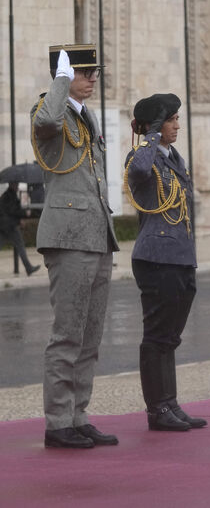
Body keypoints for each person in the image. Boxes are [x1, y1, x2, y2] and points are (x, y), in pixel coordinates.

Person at [31, 44, 119, 448]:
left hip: (96, 233)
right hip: (67, 237)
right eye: (84, 71)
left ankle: (78, 414)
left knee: (90, 335)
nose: (92, 78)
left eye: (93, 71)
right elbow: (48, 118)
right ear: (64, 75)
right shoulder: (47, 111)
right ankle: (57, 422)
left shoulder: (88, 115)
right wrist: (60, 81)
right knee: (67, 333)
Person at [124, 93, 206, 432]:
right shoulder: (141, 157)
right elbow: (140, 171)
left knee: (170, 336)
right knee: (157, 336)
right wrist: (151, 136)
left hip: (180, 257)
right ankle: (157, 410)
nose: (177, 125)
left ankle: (170, 403)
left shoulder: (173, 158)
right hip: (156, 258)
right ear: (154, 125)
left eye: (174, 119)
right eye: (170, 120)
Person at [0, 183, 41, 275]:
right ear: (12, 185)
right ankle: (29, 268)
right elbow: (13, 211)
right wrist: (23, 216)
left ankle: (29, 268)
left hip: (4, 226)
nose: (18, 187)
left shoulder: (7, 195)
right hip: (10, 226)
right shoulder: (10, 196)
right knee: (21, 246)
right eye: (16, 185)